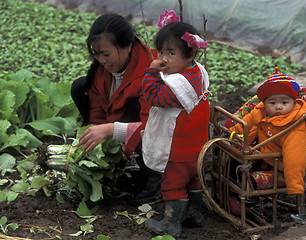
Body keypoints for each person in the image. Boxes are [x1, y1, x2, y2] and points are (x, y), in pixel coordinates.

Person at [70, 13, 162, 206]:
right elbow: (96, 108)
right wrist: (96, 143)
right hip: (122, 121)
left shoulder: (151, 72)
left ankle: (153, 174)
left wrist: (110, 130)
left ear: (127, 46)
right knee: (80, 87)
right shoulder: (102, 69)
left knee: (137, 107)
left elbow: (153, 127)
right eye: (96, 54)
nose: (101, 60)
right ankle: (118, 156)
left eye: (106, 54)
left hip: (161, 133)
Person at [141, 21, 210, 236]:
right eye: (161, 51)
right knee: (193, 179)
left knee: (173, 184)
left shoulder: (178, 87)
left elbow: (152, 97)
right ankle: (193, 214)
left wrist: (151, 73)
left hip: (177, 150)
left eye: (171, 53)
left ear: (190, 55)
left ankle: (171, 224)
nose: (163, 59)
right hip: (196, 146)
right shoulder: (196, 72)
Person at [229, 67, 306, 196]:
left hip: (278, 167)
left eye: (284, 102)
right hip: (259, 155)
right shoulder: (260, 111)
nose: (278, 106)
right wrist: (231, 133)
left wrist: (295, 185)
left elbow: (295, 158)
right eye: (272, 102)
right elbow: (245, 125)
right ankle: (230, 191)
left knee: (252, 181)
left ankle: (244, 203)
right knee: (233, 161)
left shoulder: (295, 127)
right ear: (264, 103)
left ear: (294, 102)